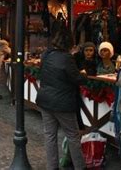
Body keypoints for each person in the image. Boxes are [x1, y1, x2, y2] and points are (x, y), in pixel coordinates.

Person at [36, 26, 88, 170]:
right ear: (69, 42)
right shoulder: (67, 58)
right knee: (73, 136)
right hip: (63, 103)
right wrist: (83, 74)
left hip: (45, 101)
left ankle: (52, 167)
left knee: (50, 136)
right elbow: (77, 78)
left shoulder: (46, 55)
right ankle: (80, 167)